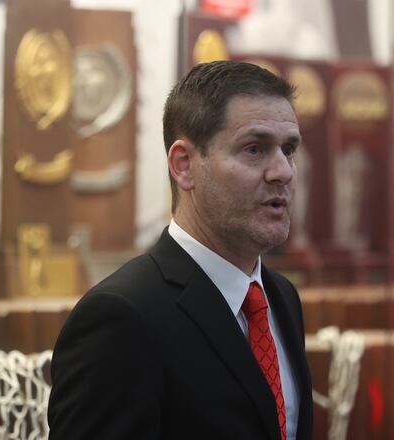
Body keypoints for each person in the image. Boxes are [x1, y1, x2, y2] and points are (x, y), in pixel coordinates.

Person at [48, 60, 313, 439]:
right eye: (255, 149)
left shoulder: (281, 298)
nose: (283, 171)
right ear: (184, 165)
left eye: (288, 150)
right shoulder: (121, 317)